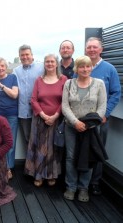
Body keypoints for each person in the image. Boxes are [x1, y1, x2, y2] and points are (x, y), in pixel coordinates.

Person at [62, 56, 107, 202]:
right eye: (82, 66)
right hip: (71, 127)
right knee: (70, 157)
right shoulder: (69, 84)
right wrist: (75, 122)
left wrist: (89, 124)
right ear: (77, 69)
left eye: (88, 66)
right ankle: (71, 186)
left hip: (91, 128)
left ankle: (83, 188)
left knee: (88, 157)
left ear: (91, 68)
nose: (85, 69)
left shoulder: (99, 84)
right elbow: (65, 106)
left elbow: (102, 107)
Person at [85, 37, 121, 195]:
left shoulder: (109, 68)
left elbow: (116, 93)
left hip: (101, 119)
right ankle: (82, 182)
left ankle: (94, 182)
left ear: (101, 49)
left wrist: (105, 113)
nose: (91, 50)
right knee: (82, 150)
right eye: (89, 47)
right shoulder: (82, 66)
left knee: (97, 150)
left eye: (95, 47)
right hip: (82, 118)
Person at [24, 54, 67, 187]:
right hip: (39, 120)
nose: (49, 64)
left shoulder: (63, 79)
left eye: (52, 61)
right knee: (39, 148)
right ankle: (38, 175)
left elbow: (65, 100)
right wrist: (43, 115)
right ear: (44, 64)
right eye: (47, 62)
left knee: (53, 149)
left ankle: (51, 175)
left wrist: (55, 116)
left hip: (57, 120)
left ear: (56, 63)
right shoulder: (39, 80)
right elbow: (33, 99)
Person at [13, 45, 44, 153]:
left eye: (27, 54)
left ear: (32, 55)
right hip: (23, 112)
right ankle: (30, 166)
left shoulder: (42, 68)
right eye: (22, 55)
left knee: (40, 140)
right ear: (19, 57)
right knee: (27, 140)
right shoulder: (16, 71)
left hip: (39, 111)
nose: (25, 57)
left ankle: (39, 167)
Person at [0, 57, 18, 180]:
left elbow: (14, 95)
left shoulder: (12, 78)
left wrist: (0, 85)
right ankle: (0, 166)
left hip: (11, 115)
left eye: (2, 66)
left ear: (6, 67)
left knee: (10, 142)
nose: (0, 68)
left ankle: (9, 168)